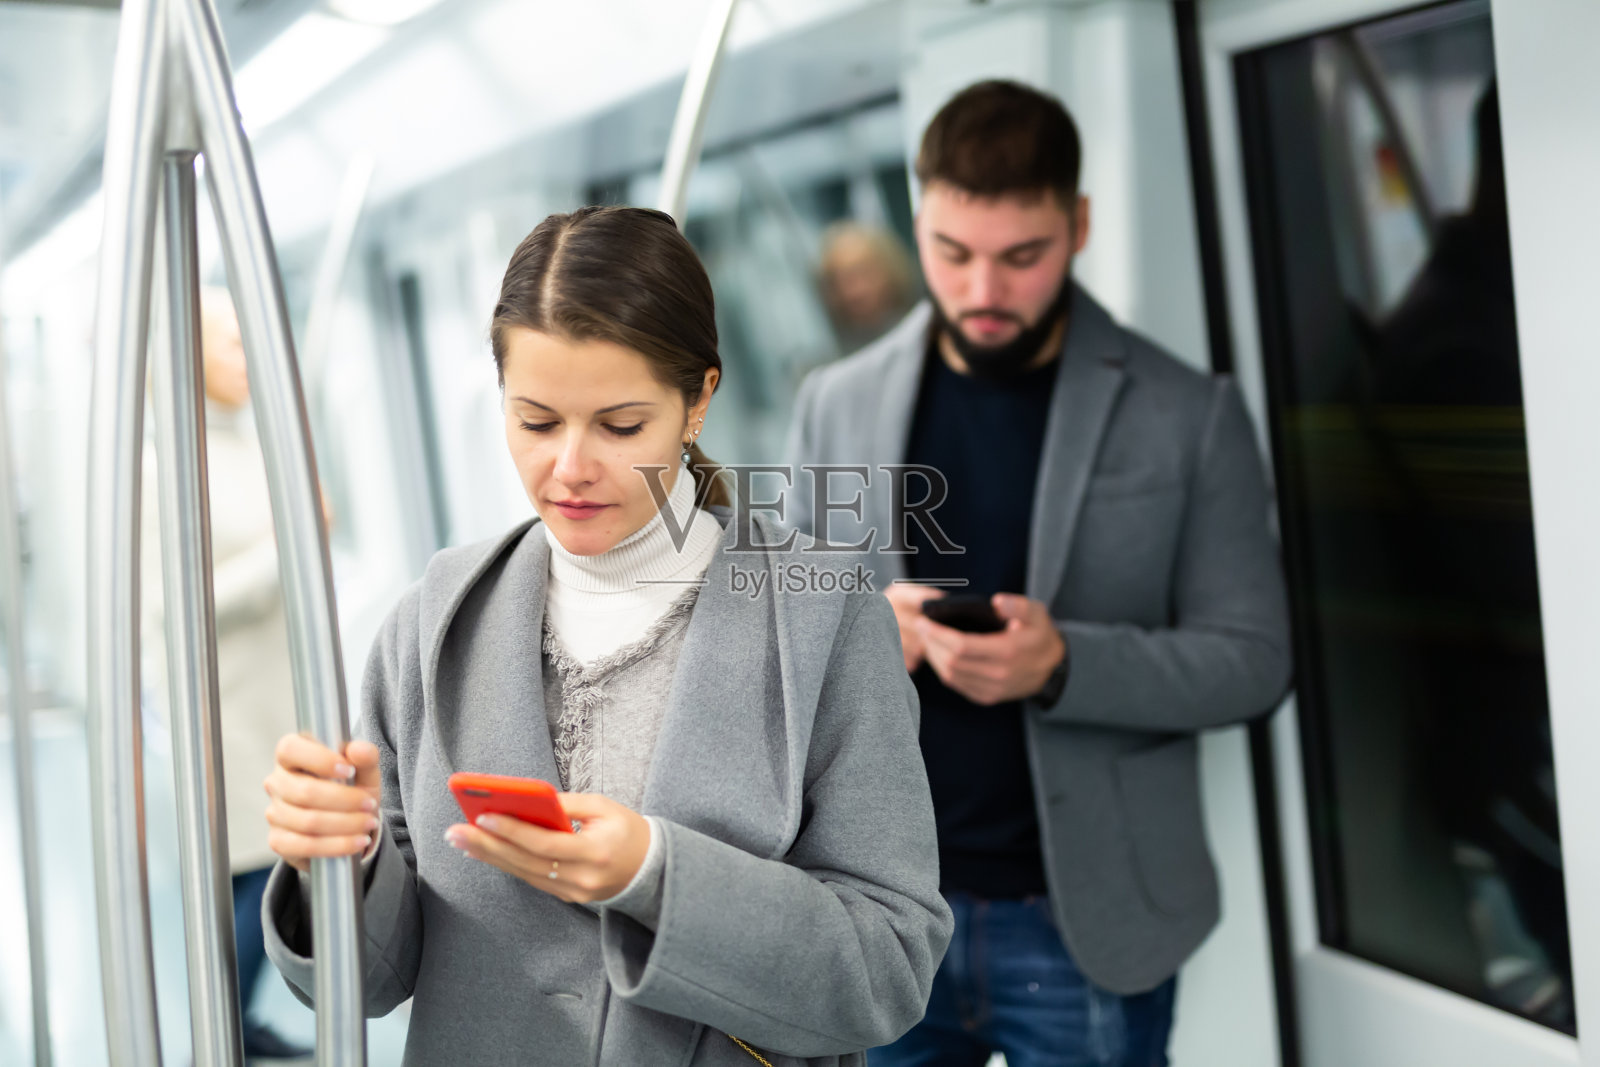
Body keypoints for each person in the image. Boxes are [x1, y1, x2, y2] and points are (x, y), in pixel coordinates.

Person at [258, 206, 952, 1065]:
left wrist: (655, 876)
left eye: (621, 426)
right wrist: (343, 856)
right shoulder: (431, 625)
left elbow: (888, 965)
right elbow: (373, 979)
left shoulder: (825, 619)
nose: (571, 467)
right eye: (536, 421)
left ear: (699, 399)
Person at [785, 81, 1292, 1066]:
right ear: (917, 216)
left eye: (1022, 256)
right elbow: (775, 631)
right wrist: (852, 632)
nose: (982, 290)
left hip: (1084, 923)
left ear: (1079, 224)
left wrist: (1062, 664)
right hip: (883, 904)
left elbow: (1254, 660)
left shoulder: (1189, 413)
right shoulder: (832, 404)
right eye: (951, 253)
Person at [140, 289, 315, 1060]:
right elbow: (176, 604)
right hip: (228, 706)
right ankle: (226, 1029)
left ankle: (237, 1021)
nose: (245, 360)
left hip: (275, 693)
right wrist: (287, 548)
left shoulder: (248, 443)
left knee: (276, 853)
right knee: (256, 863)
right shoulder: (161, 467)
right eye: (230, 345)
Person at [817, 221, 918, 354]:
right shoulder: (834, 361)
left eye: (863, 272)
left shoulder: (925, 330)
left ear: (889, 269)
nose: (855, 291)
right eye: (842, 280)